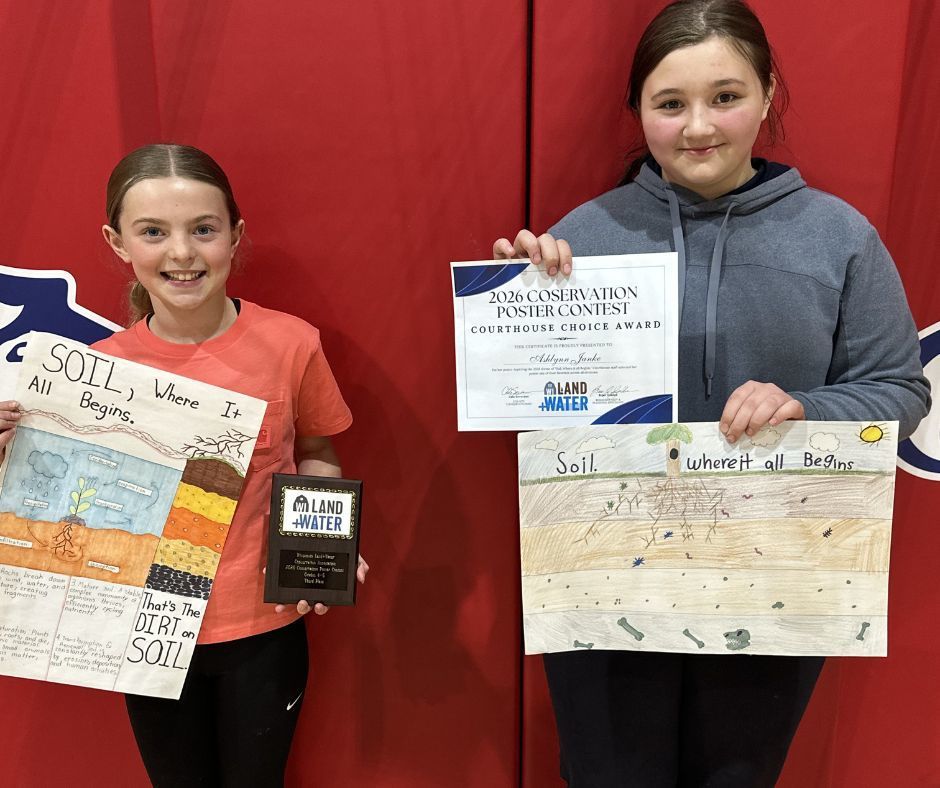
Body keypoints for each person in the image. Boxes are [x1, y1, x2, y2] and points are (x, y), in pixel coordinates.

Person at [494, 1, 930, 785]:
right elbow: (531, 416)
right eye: (670, 104)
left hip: (774, 581)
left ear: (768, 94)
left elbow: (898, 392)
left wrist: (806, 407)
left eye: (725, 96)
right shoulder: (578, 241)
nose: (698, 126)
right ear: (639, 112)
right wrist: (518, 307)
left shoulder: (840, 238)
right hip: (606, 577)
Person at [0, 143, 368, 787]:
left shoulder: (290, 343)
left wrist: (322, 541)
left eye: (204, 229)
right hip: (142, 631)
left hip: (262, 626)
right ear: (119, 243)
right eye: (153, 232)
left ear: (235, 235)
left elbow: (317, 453)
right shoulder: (91, 375)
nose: (182, 253)